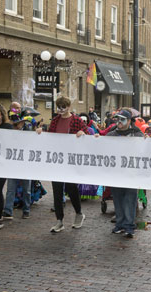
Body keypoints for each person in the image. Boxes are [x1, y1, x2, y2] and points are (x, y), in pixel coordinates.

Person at [47, 96, 88, 233]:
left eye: (63, 107)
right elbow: (49, 137)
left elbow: (87, 133)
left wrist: (82, 133)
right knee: (57, 191)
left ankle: (79, 213)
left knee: (71, 188)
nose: (61, 110)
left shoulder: (76, 120)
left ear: (68, 107)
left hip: (71, 161)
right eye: (58, 107)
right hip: (57, 161)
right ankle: (59, 220)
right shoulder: (55, 121)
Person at [105, 108, 144, 238]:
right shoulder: (111, 135)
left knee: (130, 199)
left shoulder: (137, 135)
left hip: (131, 173)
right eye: (117, 119)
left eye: (122, 119)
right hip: (115, 173)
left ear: (129, 121)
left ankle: (129, 226)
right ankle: (119, 224)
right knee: (117, 199)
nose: (119, 122)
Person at [2, 103, 33, 220]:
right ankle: (8, 211)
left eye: (19, 108)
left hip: (25, 163)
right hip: (13, 163)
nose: (16, 110)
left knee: (27, 189)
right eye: (14, 108)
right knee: (10, 189)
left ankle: (26, 210)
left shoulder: (28, 126)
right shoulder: (8, 125)